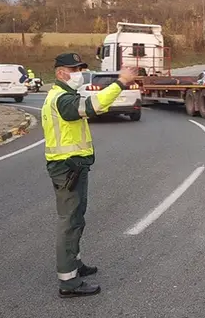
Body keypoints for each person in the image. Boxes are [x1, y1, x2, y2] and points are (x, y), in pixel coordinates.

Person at [41, 53, 136, 298]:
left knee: (77, 218)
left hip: (73, 166)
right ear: (60, 72)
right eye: (74, 69)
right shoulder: (62, 99)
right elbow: (92, 107)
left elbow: (91, 105)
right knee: (69, 222)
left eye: (81, 68)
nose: (79, 73)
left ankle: (75, 264)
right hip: (67, 168)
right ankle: (68, 282)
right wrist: (121, 82)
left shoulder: (66, 95)